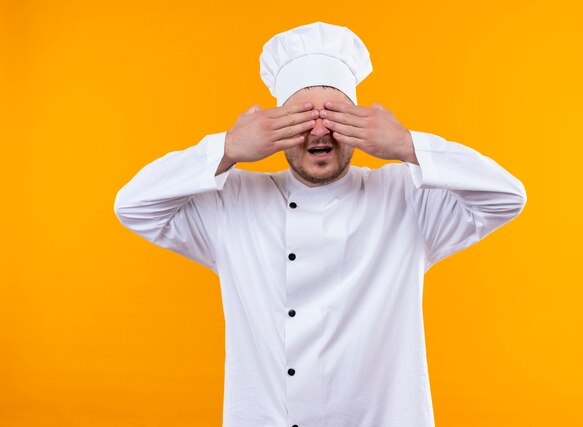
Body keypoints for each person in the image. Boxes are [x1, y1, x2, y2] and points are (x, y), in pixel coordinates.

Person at [114, 21, 527, 427]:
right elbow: (132, 206)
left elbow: (507, 197)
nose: (319, 130)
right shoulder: (232, 203)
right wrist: (225, 149)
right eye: (300, 117)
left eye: (335, 115)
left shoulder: (407, 198)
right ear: (275, 127)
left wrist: (408, 145)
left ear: (359, 124)